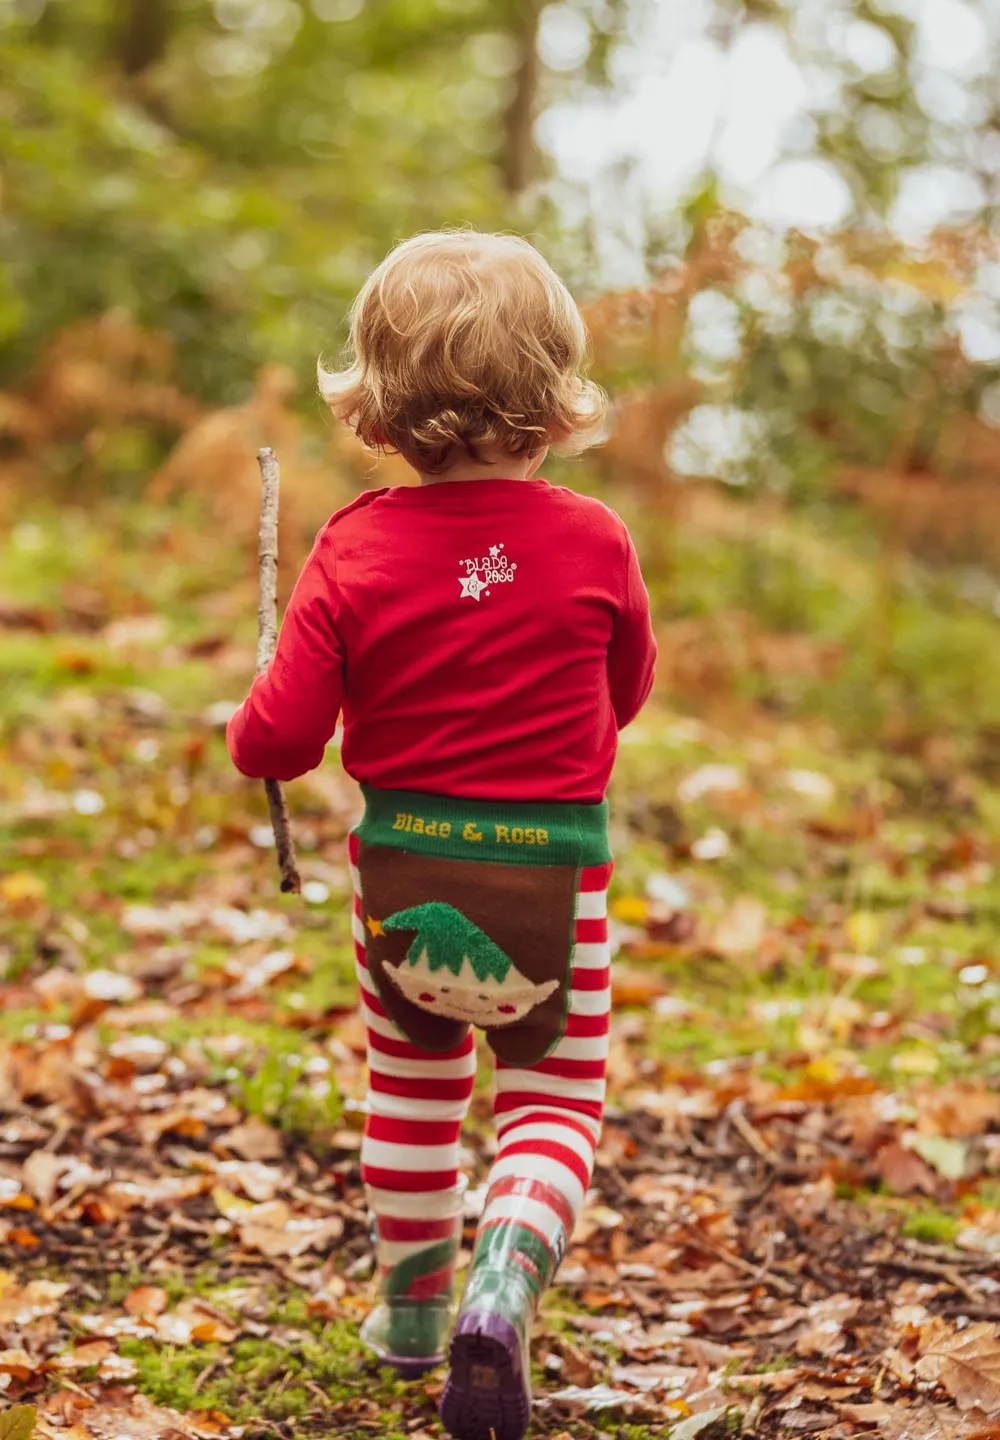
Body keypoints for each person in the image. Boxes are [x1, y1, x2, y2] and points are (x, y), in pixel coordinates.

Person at [226, 230, 656, 1440]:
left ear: (380, 402)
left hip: (401, 882)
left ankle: (412, 1318)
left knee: (412, 1101)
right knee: (552, 1104)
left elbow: (282, 740)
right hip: (554, 888)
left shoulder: (353, 547)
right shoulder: (596, 540)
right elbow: (625, 691)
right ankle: (504, 1282)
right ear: (552, 391)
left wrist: (245, 724)